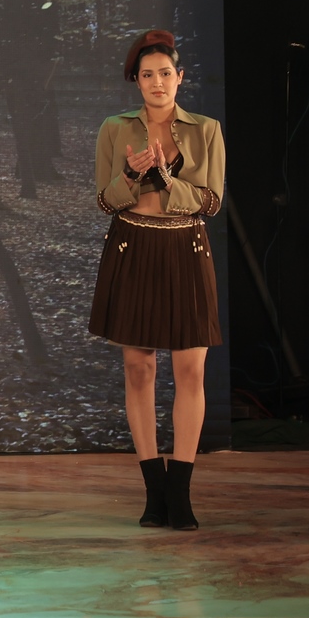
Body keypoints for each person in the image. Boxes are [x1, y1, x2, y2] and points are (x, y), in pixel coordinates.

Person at [89, 30, 224, 531]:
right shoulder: (114, 128)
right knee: (138, 368)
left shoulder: (206, 130)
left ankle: (180, 493)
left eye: (166, 73)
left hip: (186, 247)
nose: (158, 82)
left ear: (180, 77)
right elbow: (104, 201)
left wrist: (167, 178)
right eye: (148, 75)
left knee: (191, 371)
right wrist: (130, 176)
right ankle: (153, 491)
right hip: (132, 246)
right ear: (137, 81)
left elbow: (211, 202)